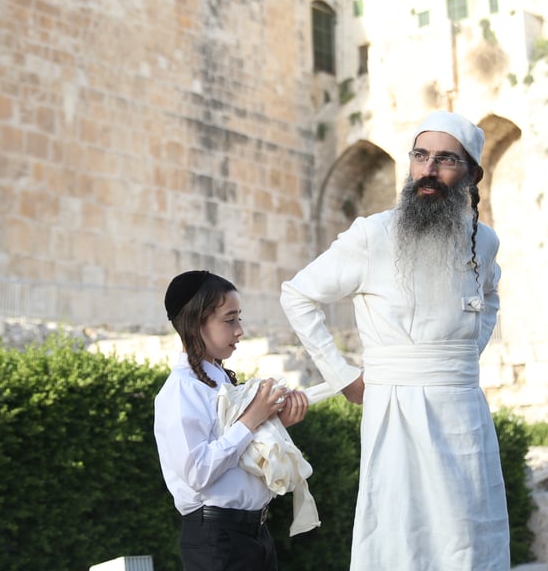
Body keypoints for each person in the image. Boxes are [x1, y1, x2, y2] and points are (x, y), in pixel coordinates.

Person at [279, 111, 510, 571]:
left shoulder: (484, 241)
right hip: (395, 411)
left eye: (445, 160)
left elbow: (490, 296)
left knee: (470, 538)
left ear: (471, 173)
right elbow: (298, 294)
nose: (427, 170)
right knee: (401, 539)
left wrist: (458, 358)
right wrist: (342, 375)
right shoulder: (372, 234)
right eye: (420, 156)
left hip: (463, 409)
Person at [155, 269, 311, 571]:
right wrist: (252, 419)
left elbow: (240, 454)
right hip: (218, 541)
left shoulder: (222, 385)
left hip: (255, 534)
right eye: (230, 320)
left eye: (239, 318)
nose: (240, 330)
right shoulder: (181, 390)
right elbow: (198, 472)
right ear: (195, 323)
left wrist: (276, 425)